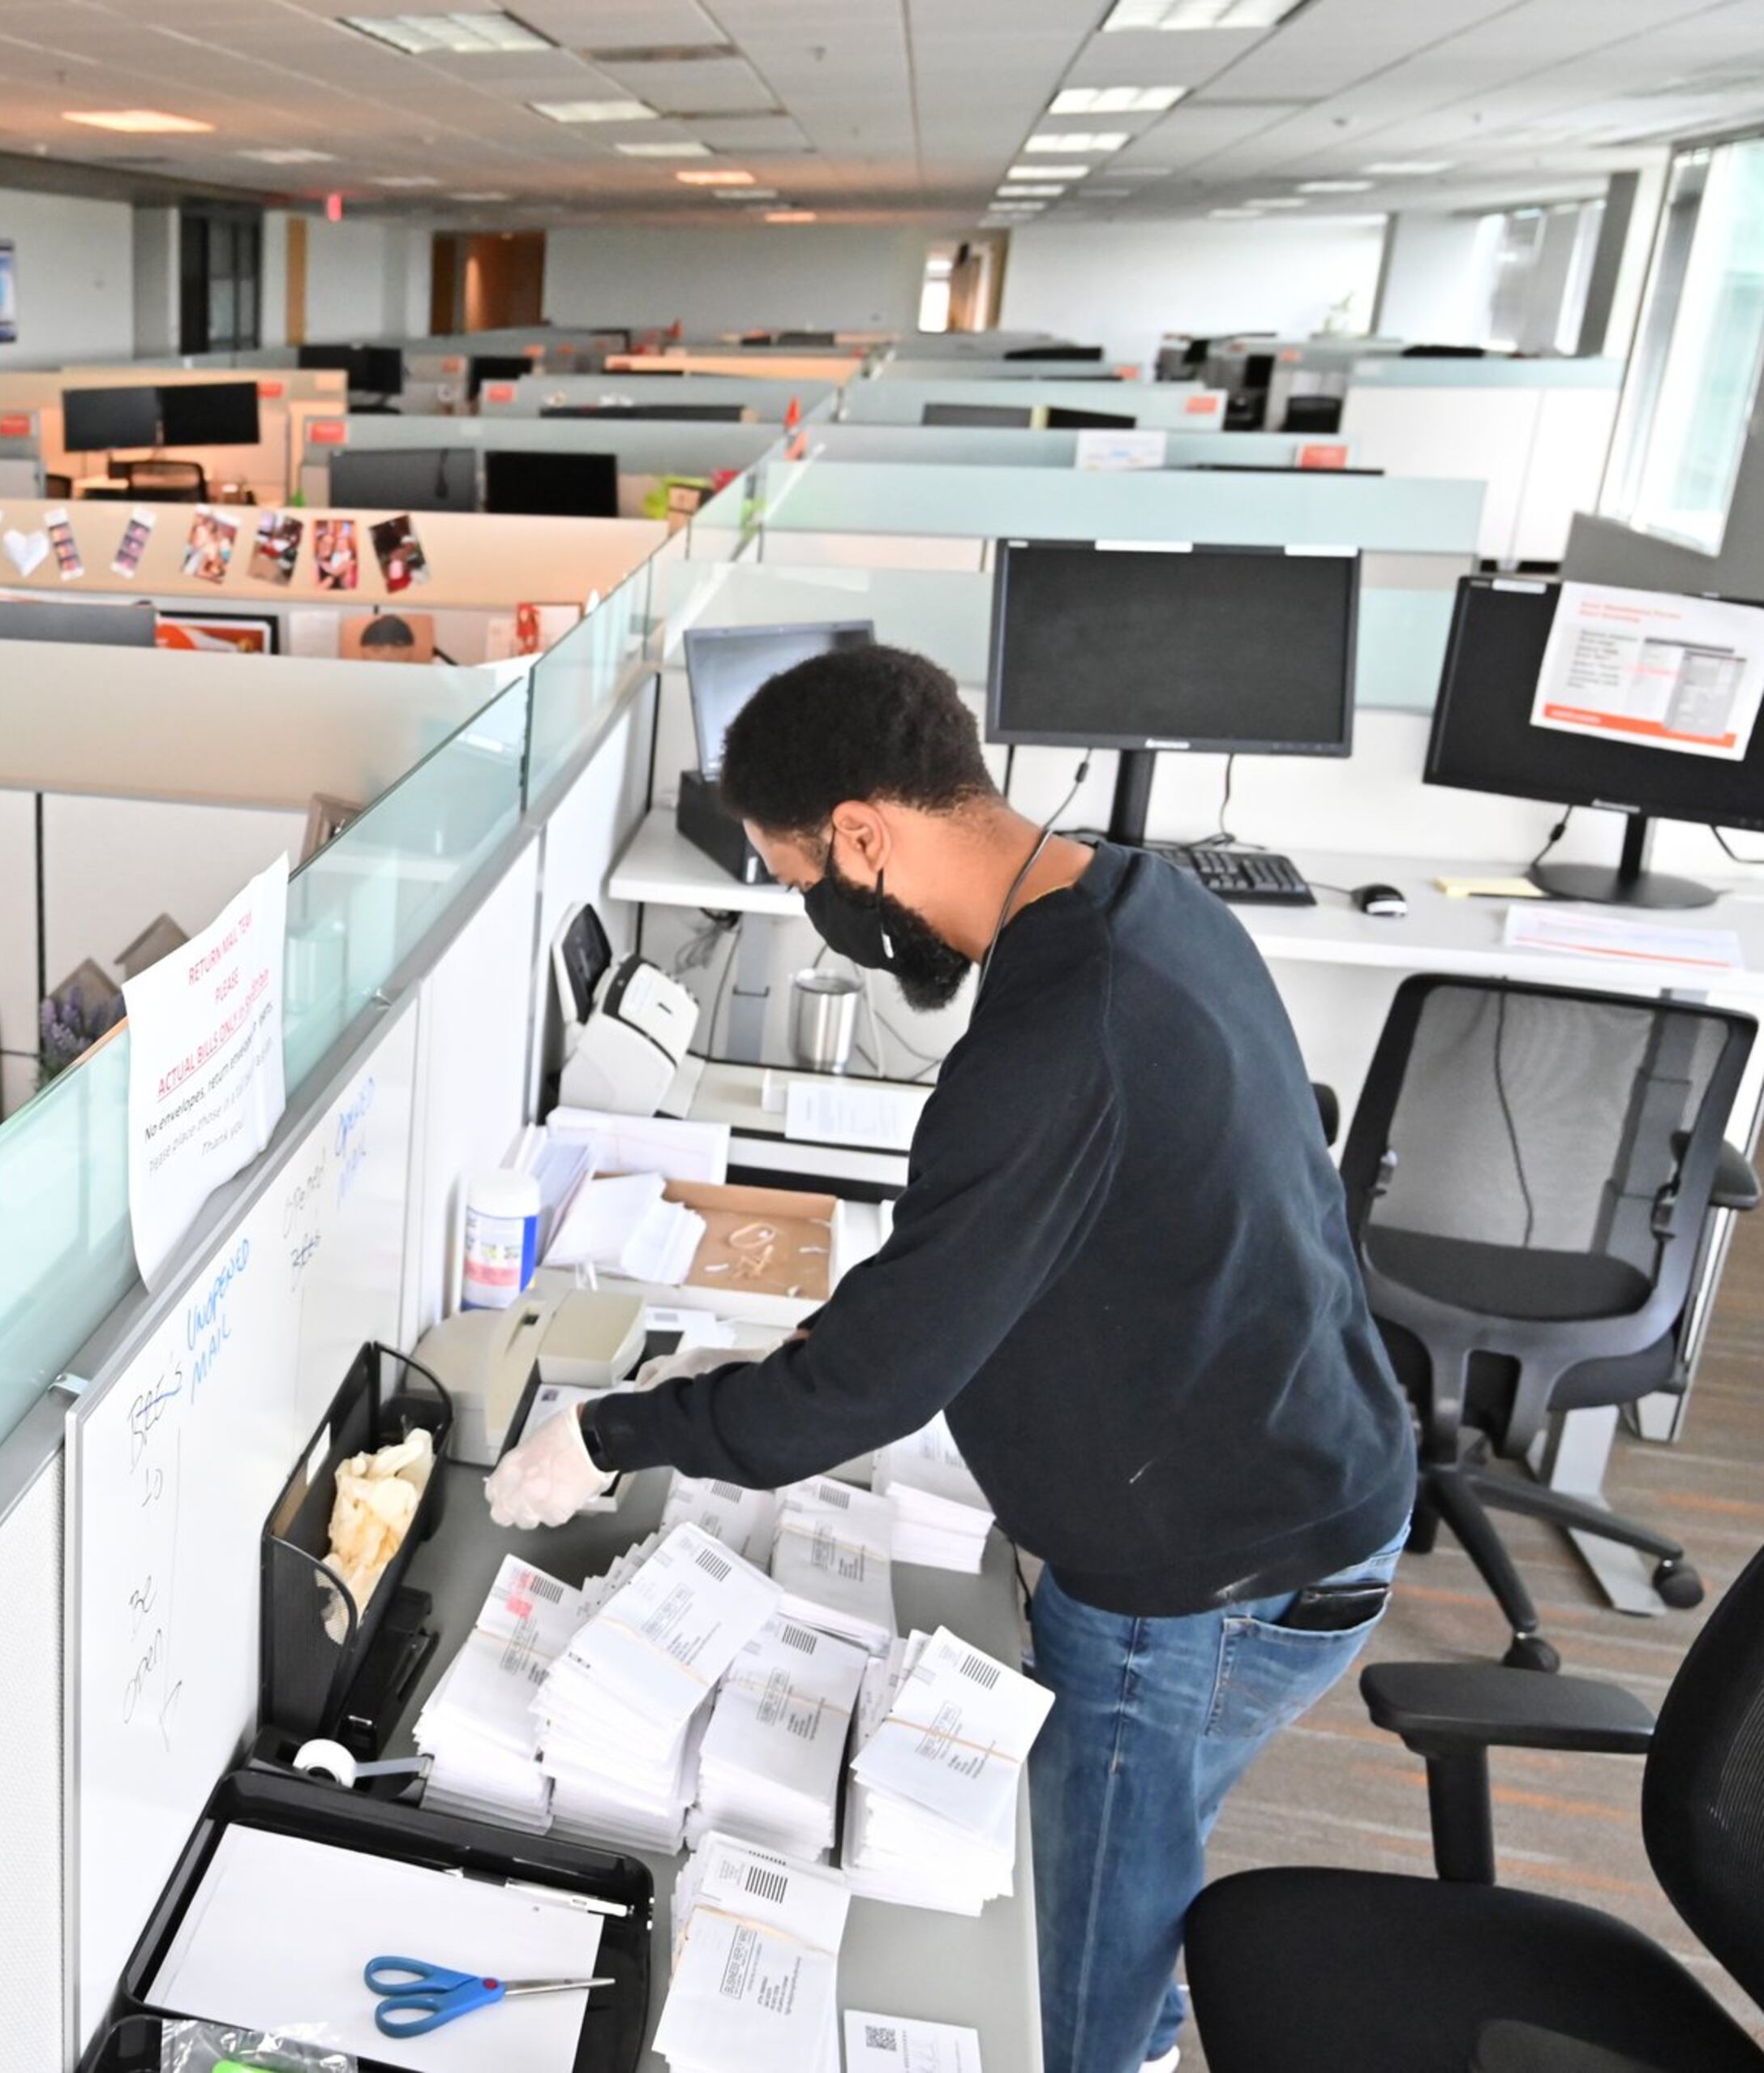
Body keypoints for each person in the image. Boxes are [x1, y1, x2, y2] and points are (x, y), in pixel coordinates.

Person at [484, 645, 1416, 2073]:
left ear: (864, 836)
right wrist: (866, 1322)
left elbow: (871, 1390)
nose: (813, 914)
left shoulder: (1056, 1032)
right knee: (1127, 1882)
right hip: (1295, 1472)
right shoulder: (1130, 899)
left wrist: (609, 1434)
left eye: (800, 877)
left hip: (1209, 1577)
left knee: (1074, 1969)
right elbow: (1026, 1242)